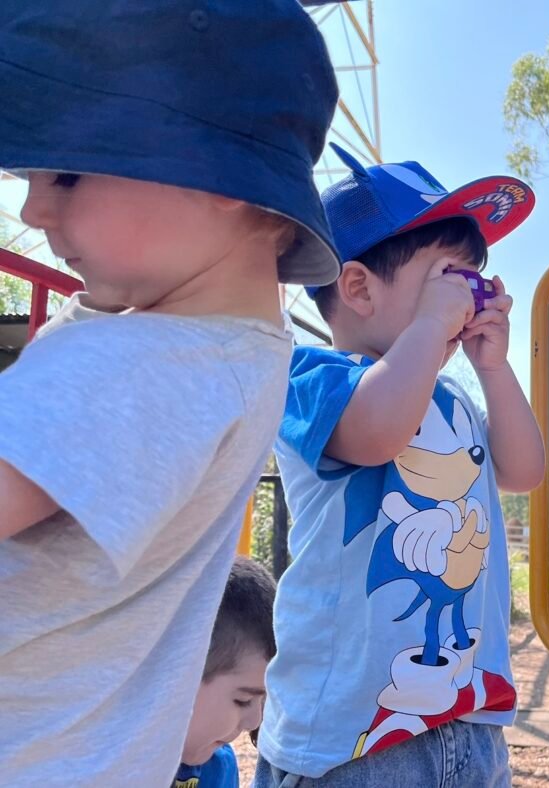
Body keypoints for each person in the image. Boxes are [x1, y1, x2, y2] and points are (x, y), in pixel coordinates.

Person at [0, 2, 340, 784]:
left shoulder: (141, 363)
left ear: (223, 176)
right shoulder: (238, 359)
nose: (32, 208)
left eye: (68, 171)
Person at [254, 145, 546, 786]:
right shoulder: (312, 378)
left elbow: (524, 470)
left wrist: (492, 367)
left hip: (469, 721)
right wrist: (431, 328)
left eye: (473, 284)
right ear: (357, 287)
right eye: (448, 280)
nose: (466, 301)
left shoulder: (455, 397)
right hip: (350, 739)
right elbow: (379, 432)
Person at [174, 557, 277, 788]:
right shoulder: (98, 762)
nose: (255, 721)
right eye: (243, 700)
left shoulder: (219, 768)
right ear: (182, 674)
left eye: (263, 700)